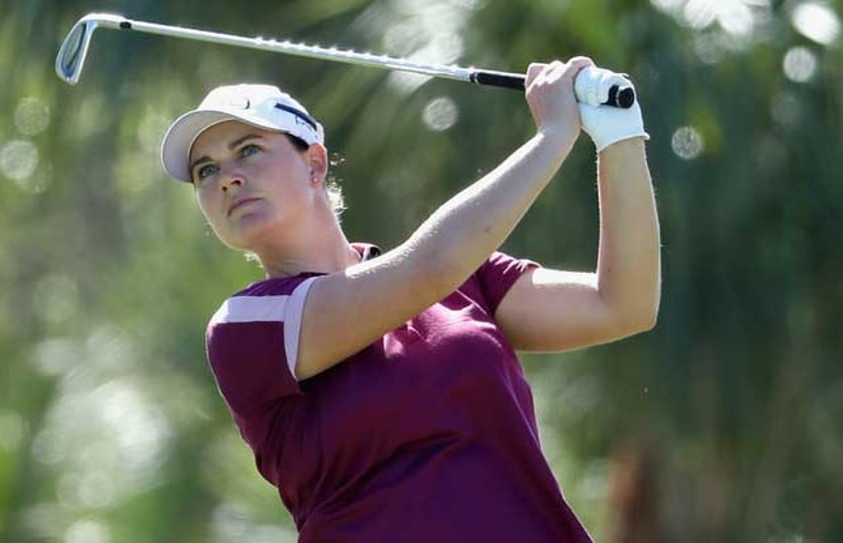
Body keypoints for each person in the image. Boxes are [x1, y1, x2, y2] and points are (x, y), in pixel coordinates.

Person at [159, 57, 659, 542]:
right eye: (205, 171)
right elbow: (430, 265)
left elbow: (622, 305)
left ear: (315, 163)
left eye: (248, 150)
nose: (226, 177)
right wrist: (553, 136)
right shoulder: (246, 329)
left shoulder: (467, 278)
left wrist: (619, 135)